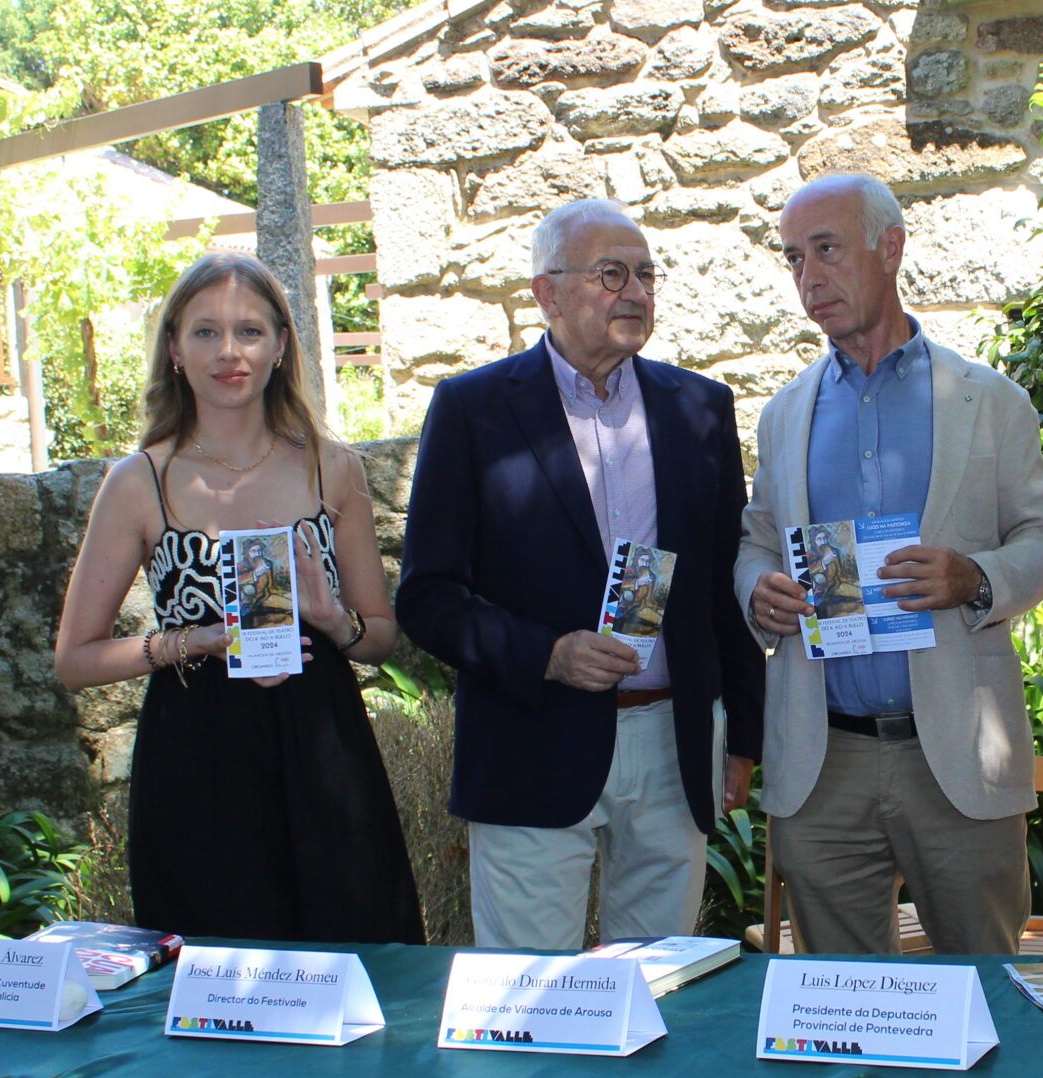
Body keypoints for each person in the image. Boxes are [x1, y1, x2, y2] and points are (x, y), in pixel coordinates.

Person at [397, 200, 762, 950]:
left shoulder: (699, 407)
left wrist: (744, 734)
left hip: (672, 743)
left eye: (646, 275)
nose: (635, 292)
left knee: (661, 991)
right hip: (533, 742)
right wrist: (548, 654)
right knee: (531, 1006)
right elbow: (427, 597)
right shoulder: (473, 409)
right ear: (547, 291)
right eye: (611, 274)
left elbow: (724, 586)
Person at [738, 173, 1043, 955]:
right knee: (844, 1019)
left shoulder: (986, 400)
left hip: (954, 755)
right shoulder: (786, 412)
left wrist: (975, 578)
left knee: (987, 998)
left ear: (890, 248)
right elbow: (756, 537)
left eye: (827, 250)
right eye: (792, 258)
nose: (808, 278)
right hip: (824, 764)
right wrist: (757, 586)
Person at [53, 250, 424, 944]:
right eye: (205, 332)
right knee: (213, 972)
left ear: (282, 345)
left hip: (324, 750)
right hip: (197, 754)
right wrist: (191, 641)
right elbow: (74, 659)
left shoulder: (330, 466)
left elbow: (379, 636)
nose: (230, 351)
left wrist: (330, 618)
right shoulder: (140, 482)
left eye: (250, 331)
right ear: (173, 348)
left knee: (355, 953)